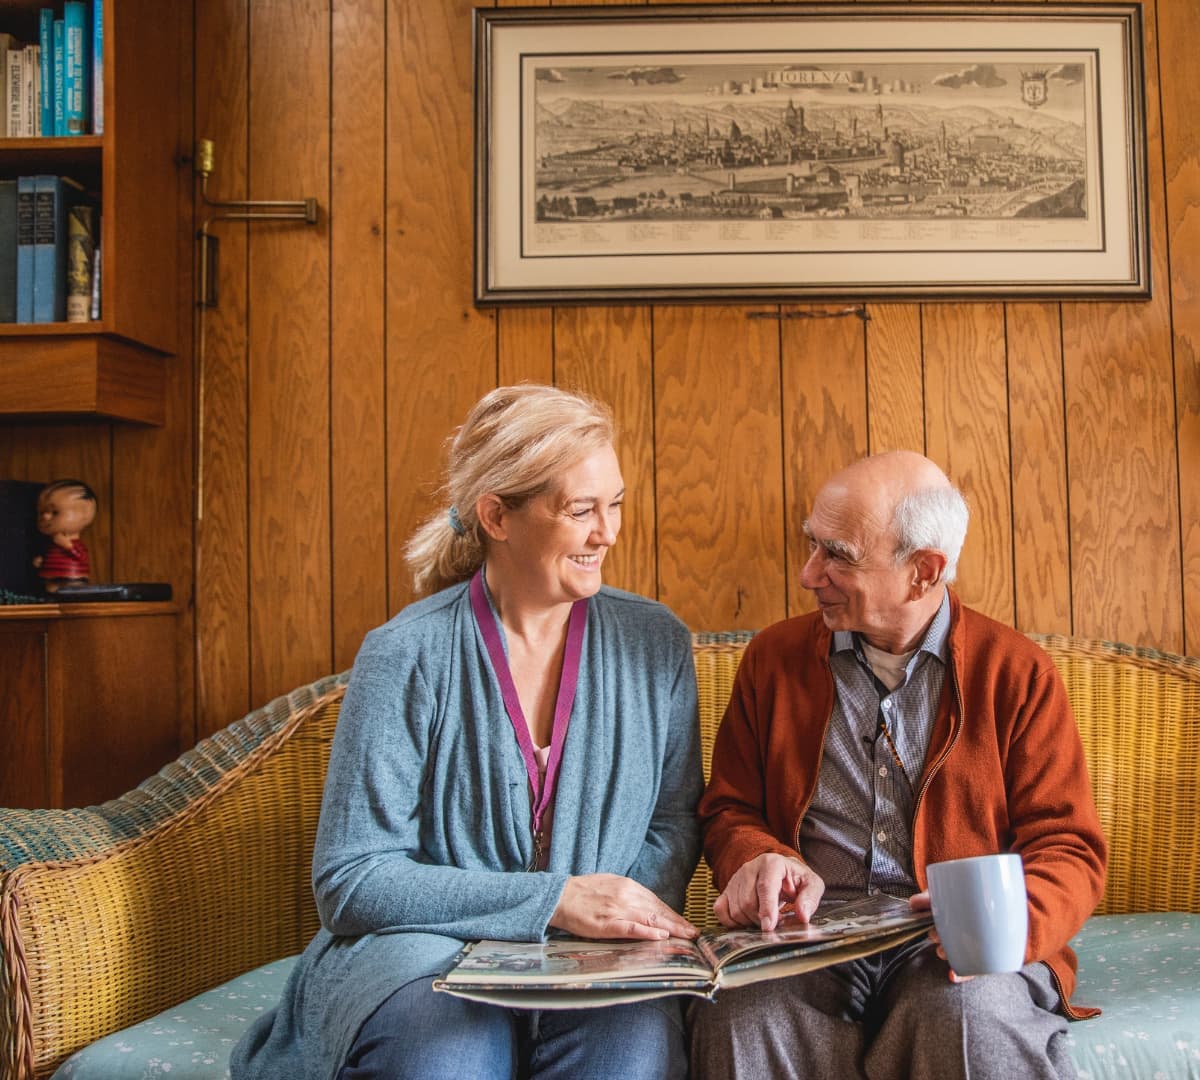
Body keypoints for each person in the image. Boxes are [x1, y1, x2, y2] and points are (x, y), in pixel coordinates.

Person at [231, 384, 703, 1080]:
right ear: (496, 516)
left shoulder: (654, 642)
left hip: (598, 958)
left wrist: (609, 921)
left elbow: (672, 824)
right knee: (448, 1054)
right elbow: (352, 878)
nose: (608, 532)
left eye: (616, 503)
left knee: (627, 1054)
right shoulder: (406, 654)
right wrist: (553, 903)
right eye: (581, 510)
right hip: (420, 953)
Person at [691, 450, 1106, 1080]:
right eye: (812, 546)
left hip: (954, 944)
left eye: (838, 555)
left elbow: (1068, 847)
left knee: (968, 1016)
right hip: (809, 938)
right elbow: (730, 808)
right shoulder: (772, 661)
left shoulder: (1015, 673)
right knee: (742, 1014)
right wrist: (754, 857)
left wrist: (1001, 930)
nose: (808, 574)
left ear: (924, 571)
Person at [32, 478, 97, 592]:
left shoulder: (74, 544)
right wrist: (41, 561)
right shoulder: (51, 544)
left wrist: (68, 546)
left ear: (84, 513)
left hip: (72, 578)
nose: (45, 517)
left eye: (55, 512)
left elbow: (81, 557)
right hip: (49, 578)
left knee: (69, 593)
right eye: (41, 512)